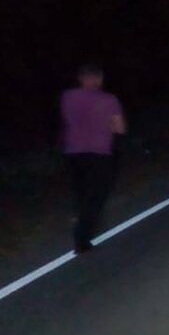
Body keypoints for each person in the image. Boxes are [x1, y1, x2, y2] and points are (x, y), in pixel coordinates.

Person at [60, 64, 126, 253]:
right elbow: (119, 128)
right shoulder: (109, 100)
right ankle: (82, 236)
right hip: (99, 153)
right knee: (97, 194)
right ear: (99, 79)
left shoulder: (68, 97)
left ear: (81, 78)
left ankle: (84, 222)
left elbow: (68, 119)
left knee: (81, 193)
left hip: (73, 152)